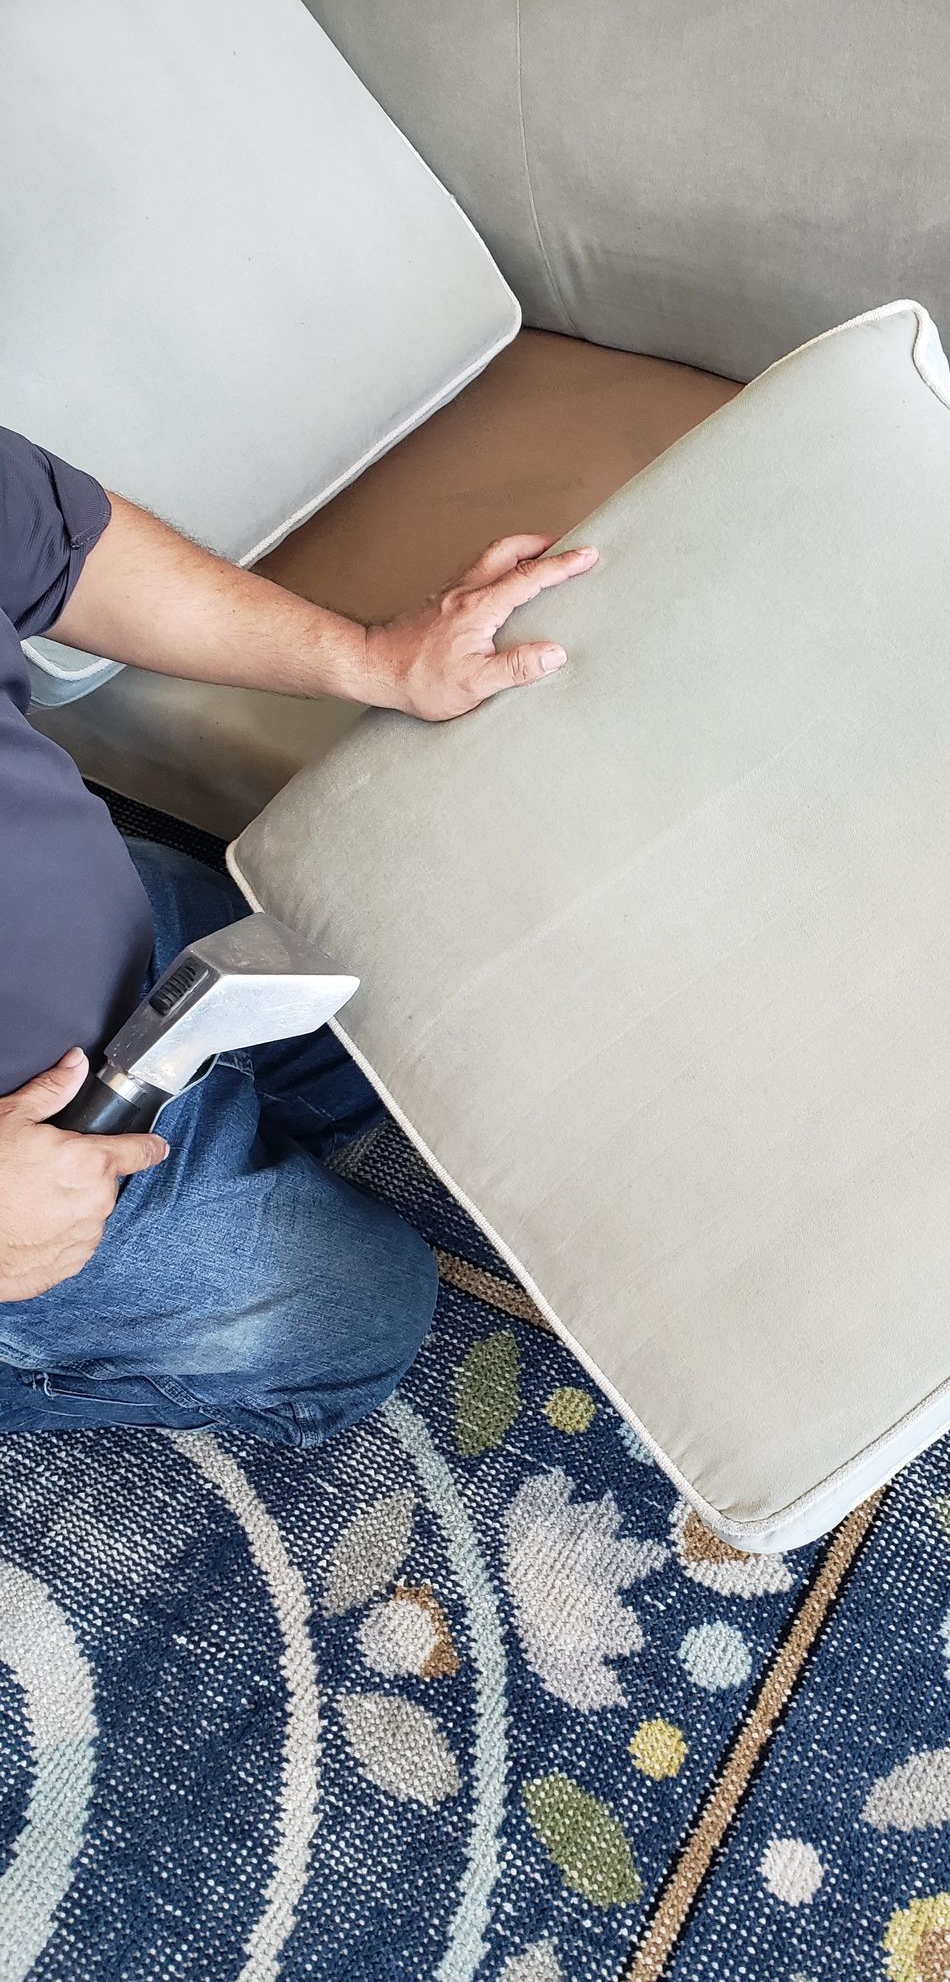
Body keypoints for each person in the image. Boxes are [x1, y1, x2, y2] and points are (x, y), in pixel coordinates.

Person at [0, 426, 597, 1442]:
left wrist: (373, 658)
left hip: (125, 939)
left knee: (398, 1000)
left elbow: (64, 544)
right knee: (362, 1318)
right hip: (23, 1154)